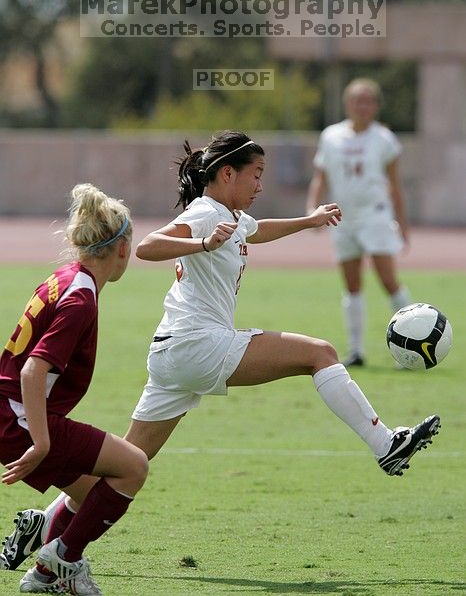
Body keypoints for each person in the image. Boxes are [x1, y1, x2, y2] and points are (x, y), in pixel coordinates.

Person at [1, 132, 439, 576]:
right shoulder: (206, 213)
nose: (260, 185)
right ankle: (386, 444)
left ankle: (42, 527)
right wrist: (203, 244)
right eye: (256, 174)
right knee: (320, 353)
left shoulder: (232, 215)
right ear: (227, 174)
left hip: (174, 352)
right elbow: (151, 245)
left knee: (123, 465)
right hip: (198, 344)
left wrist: (308, 220)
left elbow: (258, 230)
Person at [0, 184, 149, 595]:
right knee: (134, 467)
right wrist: (42, 443)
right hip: (20, 417)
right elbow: (33, 371)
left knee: (91, 496)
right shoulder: (80, 298)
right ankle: (63, 557)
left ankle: (45, 576)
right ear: (121, 248)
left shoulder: (66, 277)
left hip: (11, 413)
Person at [307, 78, 411, 367]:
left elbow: (395, 184)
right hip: (343, 218)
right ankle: (356, 351)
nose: (363, 106)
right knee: (352, 284)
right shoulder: (331, 136)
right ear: (347, 103)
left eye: (369, 101)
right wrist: (312, 210)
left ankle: (412, 344)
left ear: (376, 106)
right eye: (357, 100)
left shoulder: (384, 139)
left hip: (375, 215)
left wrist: (402, 222)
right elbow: (321, 177)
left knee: (388, 280)